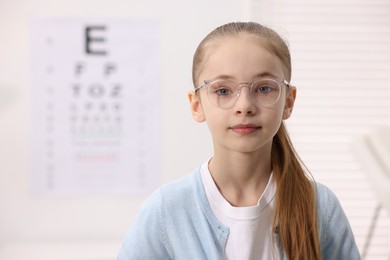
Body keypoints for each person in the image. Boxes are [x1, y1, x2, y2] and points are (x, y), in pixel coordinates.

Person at [117, 22, 360, 260]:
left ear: (288, 101)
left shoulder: (320, 207)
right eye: (223, 91)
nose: (244, 106)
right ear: (196, 105)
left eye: (264, 89)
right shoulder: (165, 212)